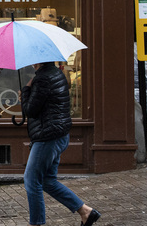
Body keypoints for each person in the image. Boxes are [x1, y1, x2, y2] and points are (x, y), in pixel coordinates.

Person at [20, 62, 101, 226]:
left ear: (39, 60)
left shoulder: (42, 79)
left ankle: (36, 223)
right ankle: (86, 212)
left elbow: (31, 110)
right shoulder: (57, 74)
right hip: (58, 135)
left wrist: (26, 92)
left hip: (47, 137)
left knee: (31, 180)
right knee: (47, 181)